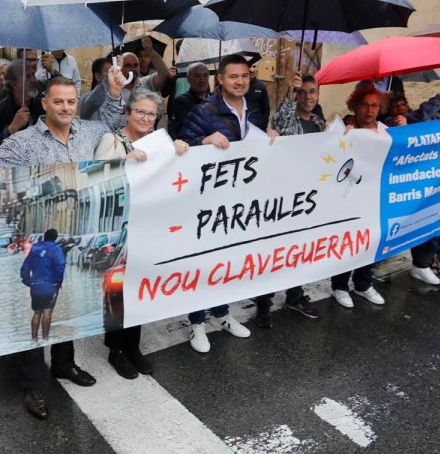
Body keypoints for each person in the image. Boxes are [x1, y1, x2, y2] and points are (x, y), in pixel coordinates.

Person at [0, 68, 130, 420]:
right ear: (45, 104)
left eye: (71, 101)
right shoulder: (24, 143)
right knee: (35, 313)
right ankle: (33, 385)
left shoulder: (88, 132)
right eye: (58, 102)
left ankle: (64, 365)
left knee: (64, 309)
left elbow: (112, 121)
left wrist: (112, 90)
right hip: (35, 238)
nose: (65, 108)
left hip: (74, 232)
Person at [93, 88, 190, 379]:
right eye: (140, 112)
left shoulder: (160, 143)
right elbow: (98, 177)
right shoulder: (112, 140)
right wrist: (122, 161)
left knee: (140, 286)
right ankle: (116, 350)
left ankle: (134, 346)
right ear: (127, 113)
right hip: (116, 229)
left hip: (148, 227)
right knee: (117, 290)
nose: (146, 118)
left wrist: (181, 150)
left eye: (151, 113)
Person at [178, 54, 266, 352]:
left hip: (238, 199)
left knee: (227, 259)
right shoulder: (205, 110)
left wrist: (272, 139)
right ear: (221, 80)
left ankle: (221, 314)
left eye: (244, 76)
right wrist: (202, 141)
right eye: (233, 76)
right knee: (203, 260)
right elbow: (180, 145)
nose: (240, 81)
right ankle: (197, 323)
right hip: (207, 200)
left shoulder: (253, 110)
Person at [252, 73, 325, 327]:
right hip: (280, 199)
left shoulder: (318, 121)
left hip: (306, 199)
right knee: (274, 253)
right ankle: (264, 304)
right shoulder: (286, 118)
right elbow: (280, 120)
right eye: (302, 92)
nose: (307, 97)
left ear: (318, 94)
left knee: (298, 252)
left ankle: (295, 295)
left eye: (312, 91)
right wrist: (289, 93)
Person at [330, 84, 389, 309]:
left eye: (375, 105)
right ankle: (340, 286)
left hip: (374, 198)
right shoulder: (344, 129)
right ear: (355, 106)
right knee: (347, 242)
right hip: (348, 196)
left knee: (371, 240)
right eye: (364, 105)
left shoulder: (385, 131)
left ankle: (363, 284)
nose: (370, 110)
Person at [0, 60, 44, 156]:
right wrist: (12, 128)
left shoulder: (42, 107)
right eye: (27, 77)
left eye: (33, 75)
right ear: (14, 84)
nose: (34, 80)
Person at [21, 229, 66, 344]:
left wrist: (28, 282)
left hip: (35, 285)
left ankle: (34, 340)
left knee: (37, 312)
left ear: (44, 237)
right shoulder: (56, 250)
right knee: (47, 311)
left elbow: (25, 267)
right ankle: (45, 339)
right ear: (55, 238)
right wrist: (58, 282)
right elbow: (61, 266)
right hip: (49, 285)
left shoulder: (34, 249)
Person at [166, 62, 213, 139]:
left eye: (205, 75)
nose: (202, 80)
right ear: (188, 79)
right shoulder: (181, 101)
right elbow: (192, 128)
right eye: (197, 76)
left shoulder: (215, 99)